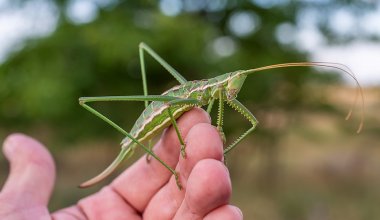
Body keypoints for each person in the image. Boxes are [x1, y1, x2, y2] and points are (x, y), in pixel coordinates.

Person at [0, 108, 243, 219]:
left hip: (175, 107)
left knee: (200, 131)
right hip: (165, 107)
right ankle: (147, 144)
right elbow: (172, 113)